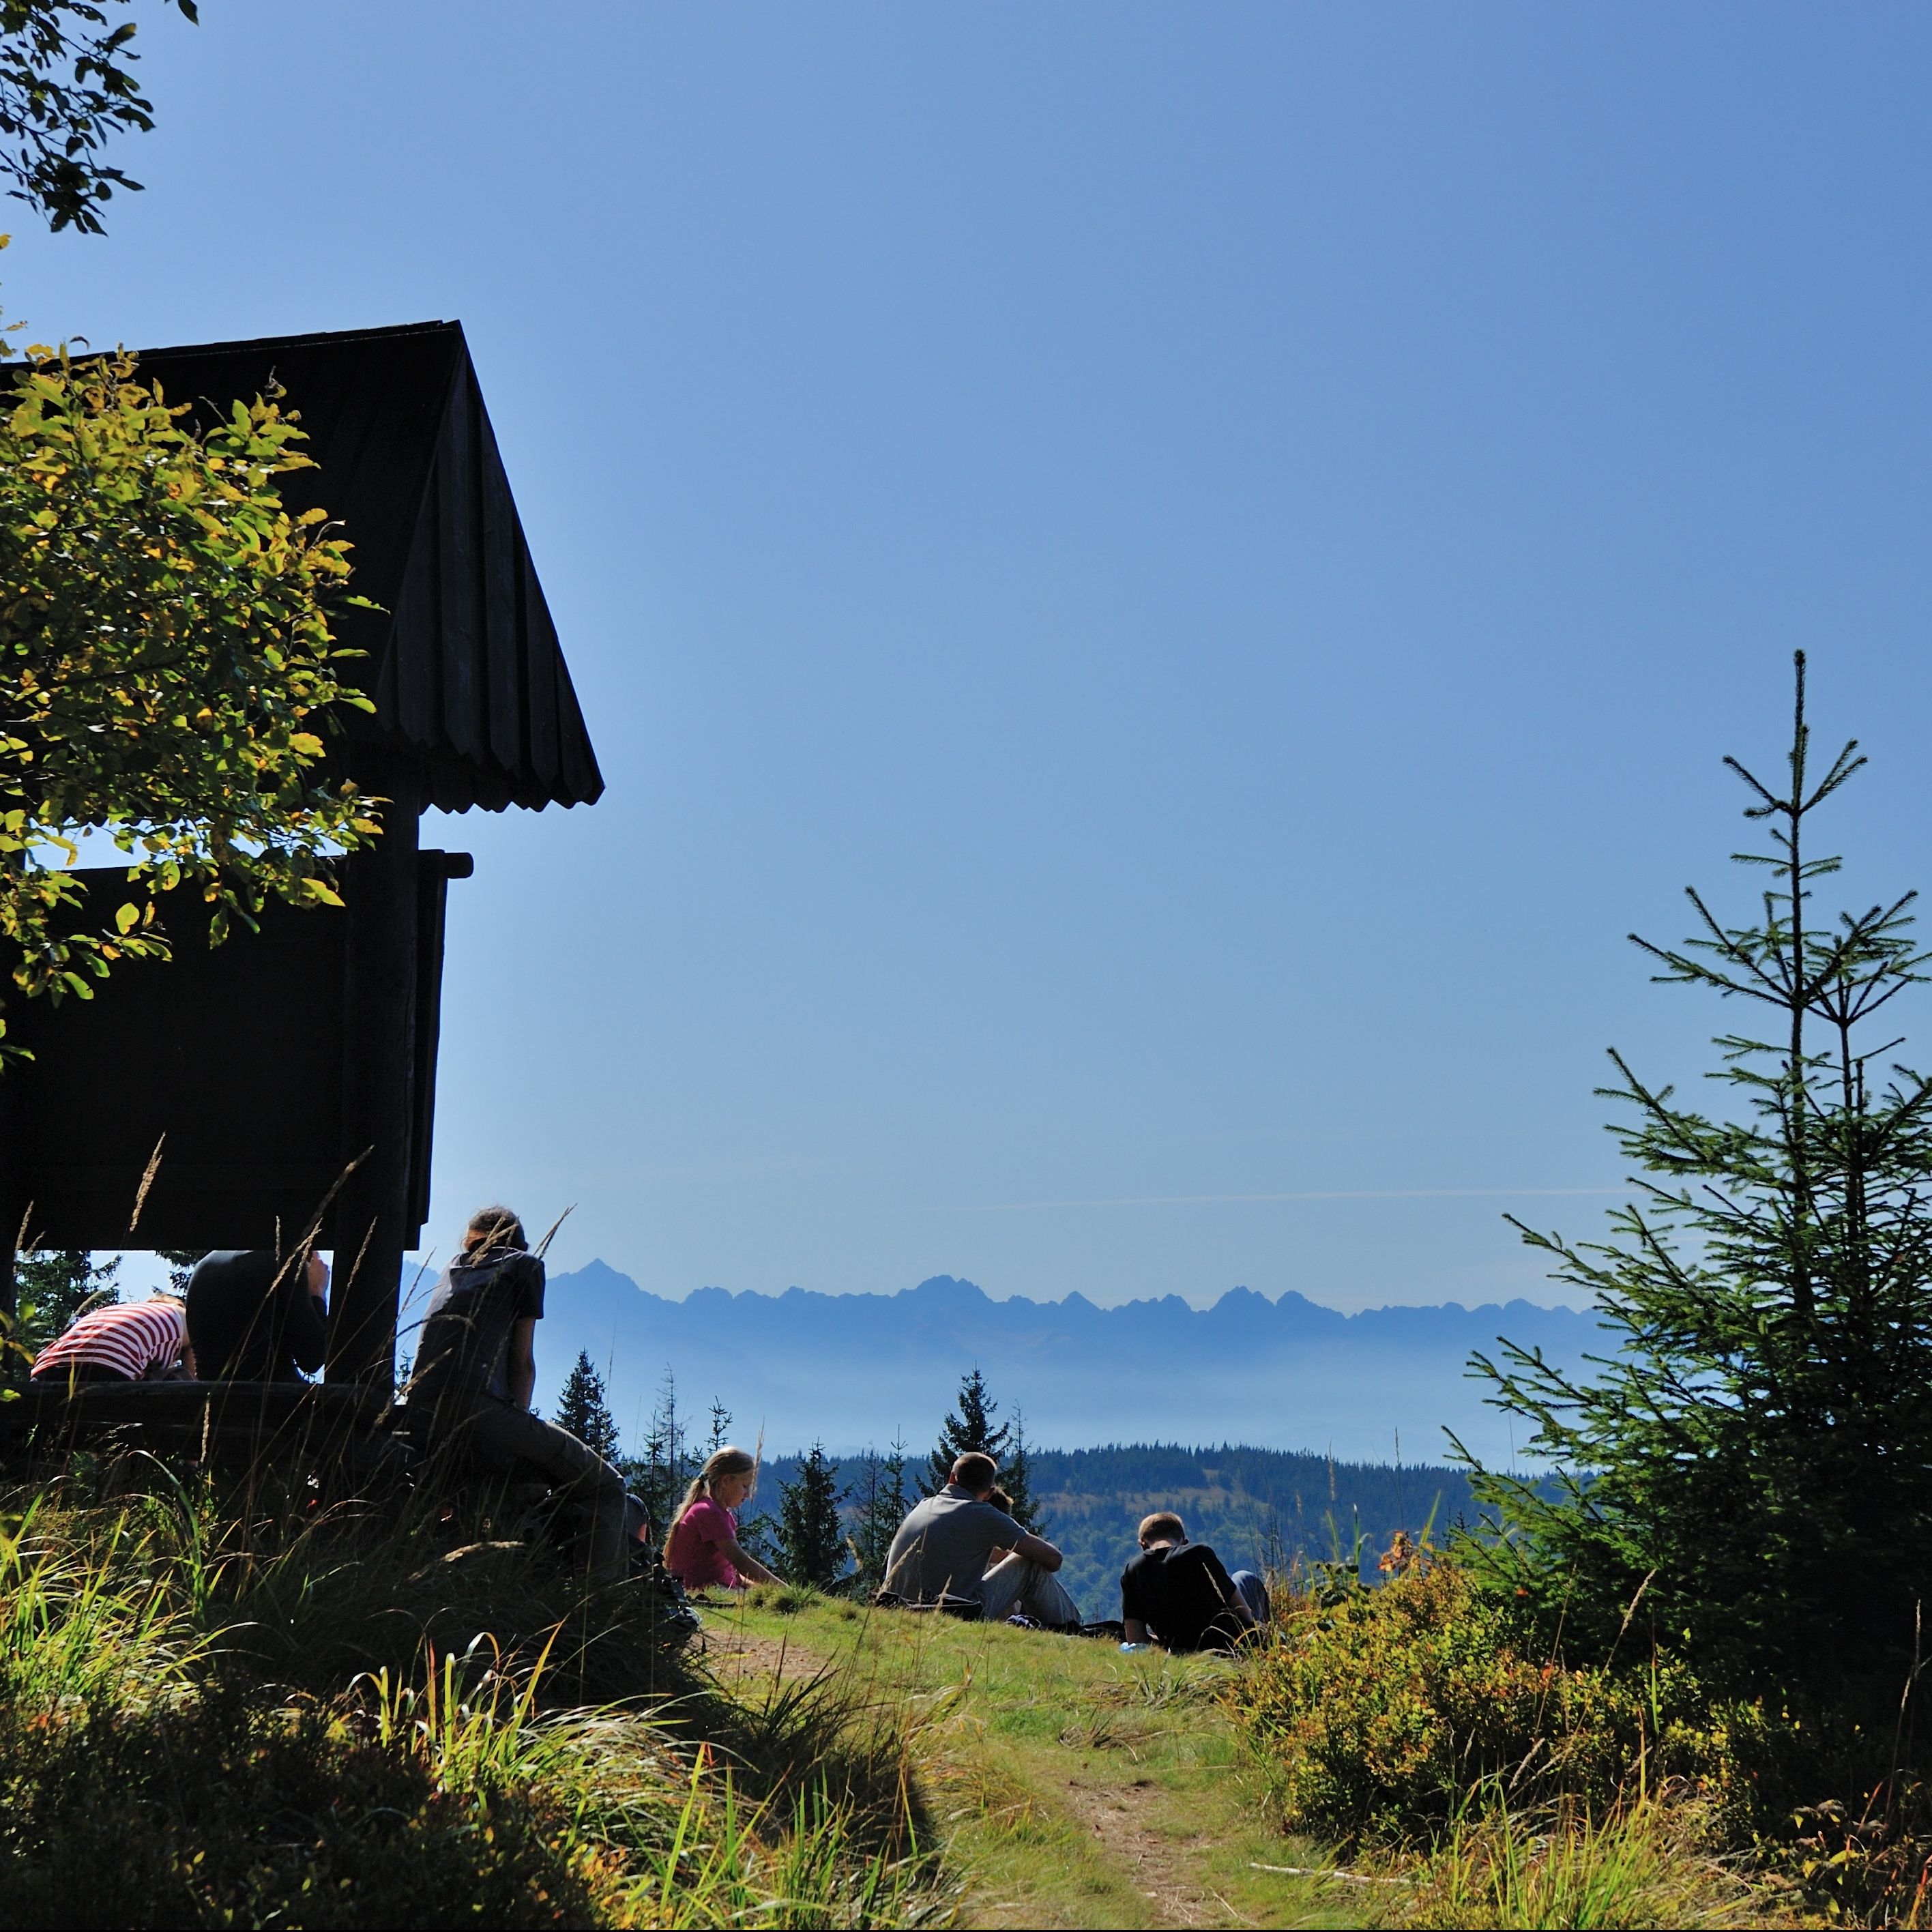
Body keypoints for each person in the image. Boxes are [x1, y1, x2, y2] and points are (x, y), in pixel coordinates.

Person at [407, 1205, 639, 1581]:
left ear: (470, 1242)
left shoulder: (452, 1270)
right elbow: (522, 1363)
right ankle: (599, 1605)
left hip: (418, 1409)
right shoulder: (524, 1265)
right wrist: (517, 1424)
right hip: (480, 1404)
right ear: (518, 1240)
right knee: (606, 1485)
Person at [883, 1451, 1082, 1626]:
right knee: (1030, 1565)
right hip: (953, 1613)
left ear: (952, 1478)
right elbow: (1054, 1559)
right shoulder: (981, 1514)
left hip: (898, 1610)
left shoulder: (925, 1506)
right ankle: (1073, 1627)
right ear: (989, 1493)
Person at [1119, 1512, 1268, 1654]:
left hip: (1179, 1647)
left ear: (1143, 1545)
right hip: (1229, 1642)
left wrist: (1168, 1642)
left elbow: (1136, 1639)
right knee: (1244, 1577)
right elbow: (1242, 1611)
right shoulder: (1198, 1553)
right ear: (1184, 1542)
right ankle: (1270, 1644)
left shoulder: (1133, 1570)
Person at [186, 1248, 328, 1381]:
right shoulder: (285, 1260)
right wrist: (318, 1292)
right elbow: (313, 1358)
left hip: (211, 1399)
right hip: (274, 1400)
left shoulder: (203, 1267)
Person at [664, 1446, 784, 1592]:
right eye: (745, 1486)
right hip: (702, 1591)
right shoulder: (708, 1513)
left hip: (716, 1588)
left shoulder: (720, 1513)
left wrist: (762, 1590)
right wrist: (785, 1590)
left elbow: (732, 1572)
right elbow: (741, 1562)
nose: (748, 1494)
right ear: (726, 1480)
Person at [31, 1293, 194, 1386]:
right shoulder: (185, 1316)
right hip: (109, 1366)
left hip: (48, 1365)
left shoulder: (120, 1310)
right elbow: (196, 1375)